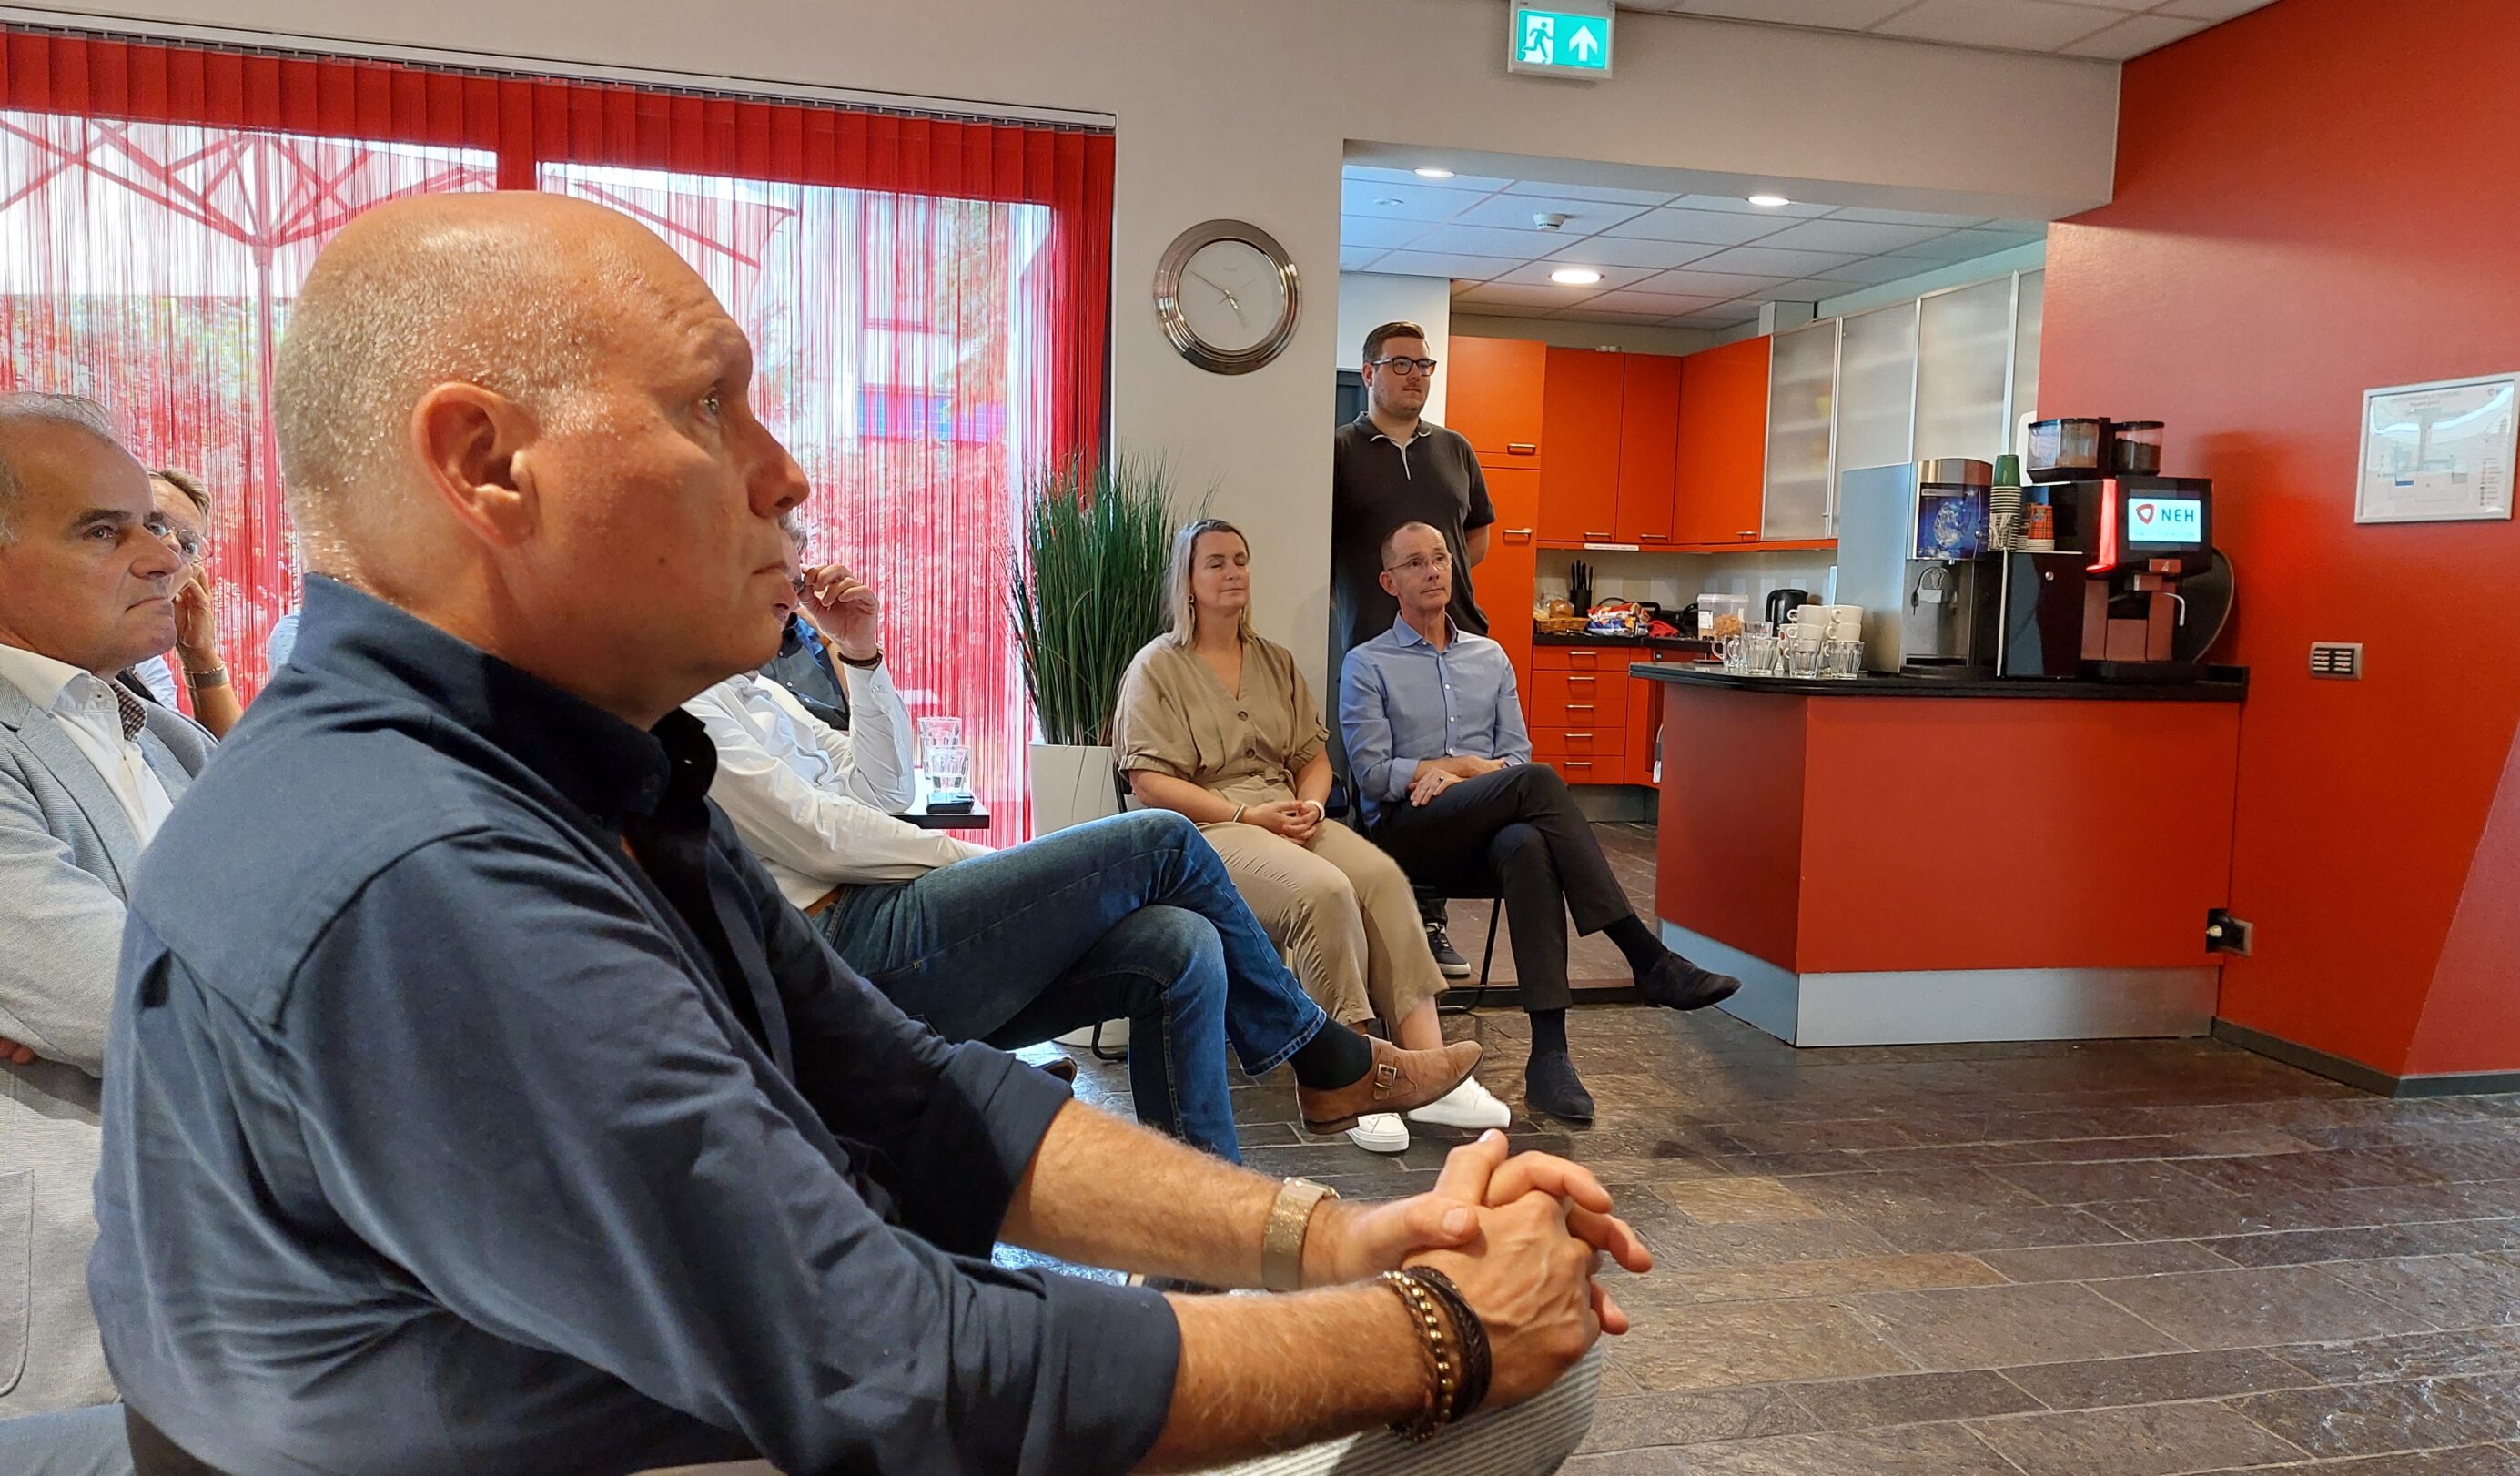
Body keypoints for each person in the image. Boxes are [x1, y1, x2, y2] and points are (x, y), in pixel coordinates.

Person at [90, 192, 1647, 1475]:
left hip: (753, 1400)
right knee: (1515, 1394)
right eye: (710, 404)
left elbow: (919, 1099)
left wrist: (1337, 1241)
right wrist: (1435, 1326)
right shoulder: (417, 867)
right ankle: (1337, 1069)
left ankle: (1335, 1088)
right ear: (487, 464)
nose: (785, 472)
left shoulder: (588, 771)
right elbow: (893, 1368)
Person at [688, 517, 1483, 1161]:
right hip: (842, 941)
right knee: (1162, 839)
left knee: (1181, 945)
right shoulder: (689, 708)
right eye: (780, 575)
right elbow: (821, 836)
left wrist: (861, 654)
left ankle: (1199, 1241)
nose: (795, 594)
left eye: (795, 575)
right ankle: (1325, 1057)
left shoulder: (764, 697)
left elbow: (884, 791)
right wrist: (981, 863)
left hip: (893, 914)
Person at [1117, 518, 1513, 1158]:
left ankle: (1431, 1071)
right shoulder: (1156, 667)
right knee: (1324, 893)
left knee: (1382, 878)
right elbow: (1149, 783)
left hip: (1290, 812)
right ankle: (1351, 1077)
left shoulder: (1275, 661)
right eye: (1215, 562)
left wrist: (1310, 802)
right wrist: (1247, 816)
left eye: (1240, 559)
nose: (1233, 572)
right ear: (1187, 581)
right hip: (1212, 828)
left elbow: (1313, 757)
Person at [1341, 521, 1742, 1124]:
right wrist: (1461, 767)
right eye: (1415, 563)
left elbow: (1515, 757)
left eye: (1440, 558)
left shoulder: (1489, 657)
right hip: (1408, 832)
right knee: (1541, 783)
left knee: (1527, 843)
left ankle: (1549, 1058)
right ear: (1388, 581)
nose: (1433, 571)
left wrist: (1469, 777)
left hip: (1487, 825)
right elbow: (1373, 774)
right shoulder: (1367, 663)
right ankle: (1645, 956)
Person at [0, 391, 215, 1473]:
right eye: (102, 529)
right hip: (61, 1324)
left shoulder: (175, 741)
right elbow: (124, 996)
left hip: (221, 1301)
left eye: (159, 527)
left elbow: (337, 950)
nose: (163, 557)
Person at [1335, 320, 1494, 981]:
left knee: (1450, 785)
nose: (1415, 376)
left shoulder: (1455, 449)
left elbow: (1476, 537)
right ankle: (1382, 926)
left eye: (1424, 365)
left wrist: (1433, 582)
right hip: (1376, 646)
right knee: (1385, 787)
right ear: (1369, 372)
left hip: (1456, 641)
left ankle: (1430, 924)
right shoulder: (1338, 451)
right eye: (1401, 364)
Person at [124, 470, 245, 737]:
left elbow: (235, 760)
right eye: (152, 527)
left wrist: (200, 655)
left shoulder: (146, 669)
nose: (173, 548)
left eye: (189, 545)